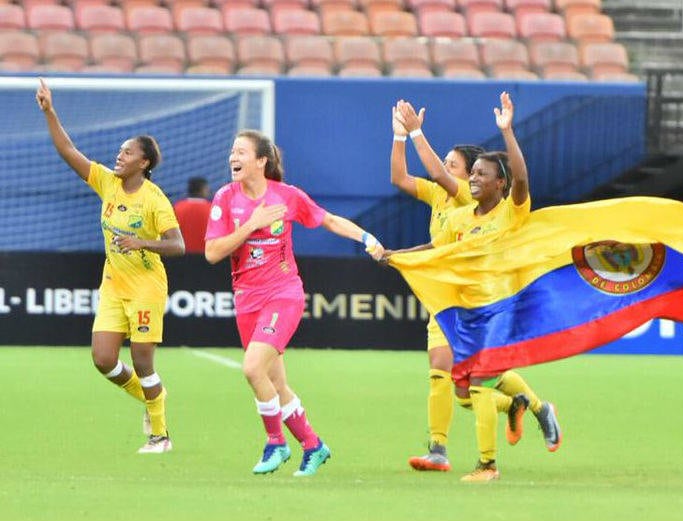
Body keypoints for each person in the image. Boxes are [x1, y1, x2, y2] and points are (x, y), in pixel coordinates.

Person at [384, 92, 561, 482]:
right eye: (471, 172)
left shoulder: (501, 207)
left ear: (493, 180)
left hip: (492, 308)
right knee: (461, 386)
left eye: (471, 170)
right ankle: (522, 406)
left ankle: (467, 456)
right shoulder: (461, 214)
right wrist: (400, 256)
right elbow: (439, 246)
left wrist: (506, 131)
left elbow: (518, 179)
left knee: (475, 382)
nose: (469, 177)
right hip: (452, 304)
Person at [204, 129, 384, 476]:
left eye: (241, 152)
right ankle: (314, 445)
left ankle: (276, 443)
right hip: (246, 299)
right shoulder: (225, 198)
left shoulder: (286, 196)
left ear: (261, 161)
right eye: (232, 152)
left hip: (283, 293)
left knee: (252, 368)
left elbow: (328, 219)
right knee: (276, 384)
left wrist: (365, 237)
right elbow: (212, 252)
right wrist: (251, 225)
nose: (233, 158)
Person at [36, 78, 185, 453]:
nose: (119, 156)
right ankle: (155, 399)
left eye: (127, 152)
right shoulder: (108, 183)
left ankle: (160, 436)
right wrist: (50, 111)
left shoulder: (155, 200)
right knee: (103, 360)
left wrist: (142, 242)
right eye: (119, 151)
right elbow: (68, 150)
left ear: (144, 162)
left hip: (146, 288)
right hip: (114, 285)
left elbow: (178, 245)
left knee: (142, 361)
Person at [173, 176, 211, 254]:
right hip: (206, 257)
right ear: (204, 189)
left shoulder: (177, 208)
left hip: (180, 257)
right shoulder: (213, 209)